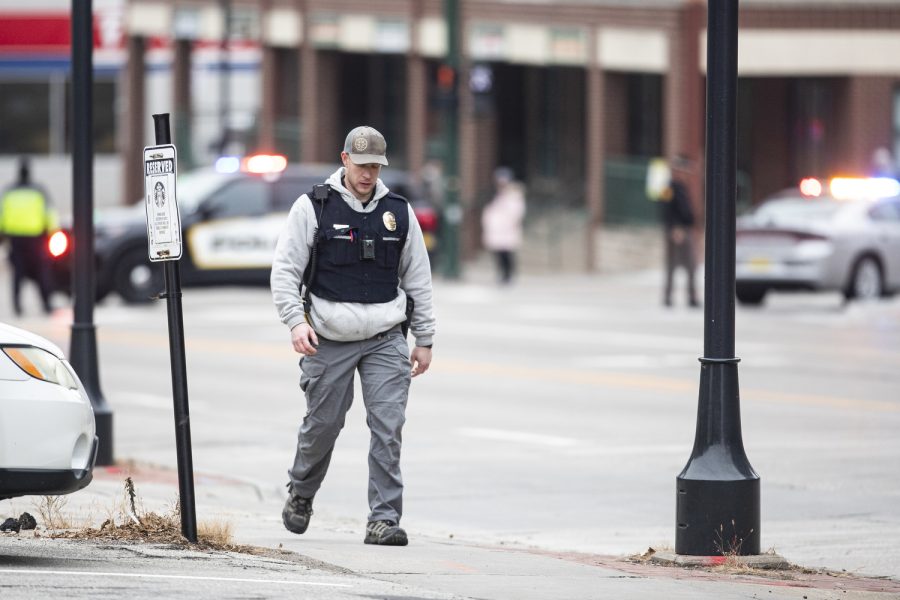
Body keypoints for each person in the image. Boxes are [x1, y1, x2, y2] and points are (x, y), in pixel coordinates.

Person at [271, 125, 435, 547]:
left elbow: (418, 277)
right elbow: (285, 271)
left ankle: (383, 519)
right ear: (344, 159)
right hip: (328, 337)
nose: (368, 173)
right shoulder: (313, 207)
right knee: (322, 426)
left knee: (388, 427)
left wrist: (424, 338)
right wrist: (296, 322)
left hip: (386, 337)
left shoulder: (398, 211)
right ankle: (302, 493)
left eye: (376, 166)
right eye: (361, 165)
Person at [0, 157, 57, 316]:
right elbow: (50, 213)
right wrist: (53, 232)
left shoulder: (9, 191)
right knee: (42, 273)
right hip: (36, 239)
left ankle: (17, 306)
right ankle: (46, 305)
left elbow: (1, 215)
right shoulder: (38, 190)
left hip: (16, 239)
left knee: (18, 275)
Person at [659, 157, 699, 308]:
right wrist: (675, 228)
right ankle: (668, 296)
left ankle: (692, 296)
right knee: (671, 265)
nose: (684, 174)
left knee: (691, 266)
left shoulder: (683, 187)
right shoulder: (669, 188)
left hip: (686, 230)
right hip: (677, 231)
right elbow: (666, 210)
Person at [481, 167, 525, 284]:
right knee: (498, 255)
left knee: (507, 255)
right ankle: (501, 274)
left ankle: (508, 275)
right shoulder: (494, 195)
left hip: (507, 230)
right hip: (496, 230)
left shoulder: (514, 195)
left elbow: (516, 212)